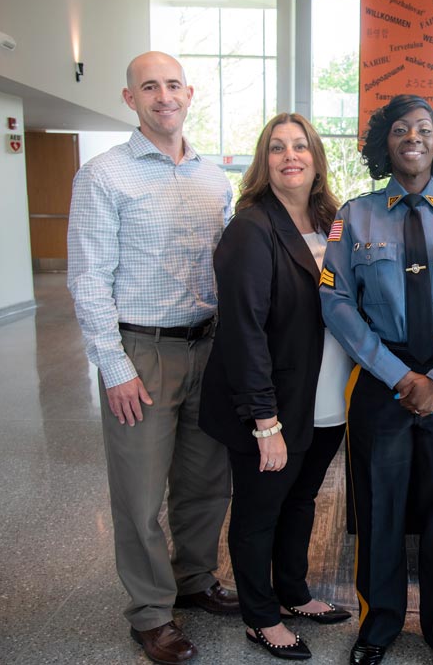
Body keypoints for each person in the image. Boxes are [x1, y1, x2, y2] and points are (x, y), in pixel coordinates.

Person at [67, 51, 238, 665]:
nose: (163, 96)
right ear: (129, 98)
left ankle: (193, 579)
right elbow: (88, 279)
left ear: (189, 94)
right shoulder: (104, 176)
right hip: (142, 351)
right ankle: (149, 613)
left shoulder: (214, 178)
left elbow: (231, 266)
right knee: (140, 495)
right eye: (149, 87)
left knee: (204, 481)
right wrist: (113, 366)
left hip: (209, 345)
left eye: (172, 85)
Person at [319, 94, 433, 665]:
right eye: (401, 129)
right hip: (380, 379)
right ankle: (378, 624)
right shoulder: (354, 215)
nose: (414, 137)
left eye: (425, 128)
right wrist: (400, 376)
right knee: (379, 506)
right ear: (386, 143)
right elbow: (336, 301)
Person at [198, 113, 353, 661]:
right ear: (265, 161)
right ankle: (259, 616)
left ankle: (293, 592)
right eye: (278, 148)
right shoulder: (251, 227)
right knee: (261, 510)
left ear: (316, 157)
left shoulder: (333, 219)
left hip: (328, 397)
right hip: (273, 405)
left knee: (302, 501)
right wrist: (265, 422)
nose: (292, 156)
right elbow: (243, 332)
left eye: (302, 146)